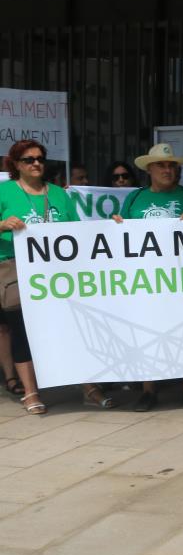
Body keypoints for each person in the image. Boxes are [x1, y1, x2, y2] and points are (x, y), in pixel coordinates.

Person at [0, 140, 115, 413]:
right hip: (16, 269)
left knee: (71, 327)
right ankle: (30, 392)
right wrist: (2, 224)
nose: (37, 163)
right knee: (22, 331)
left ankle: (87, 386)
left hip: (58, 272)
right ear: (16, 165)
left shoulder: (59, 194)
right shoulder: (4, 192)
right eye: (29, 159)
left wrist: (114, 228)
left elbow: (77, 231)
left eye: (40, 158)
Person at [113, 143, 183, 412]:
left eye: (172, 165)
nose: (168, 170)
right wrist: (117, 225)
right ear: (149, 169)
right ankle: (148, 390)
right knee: (146, 333)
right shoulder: (134, 198)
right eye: (162, 165)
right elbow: (122, 235)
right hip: (147, 278)